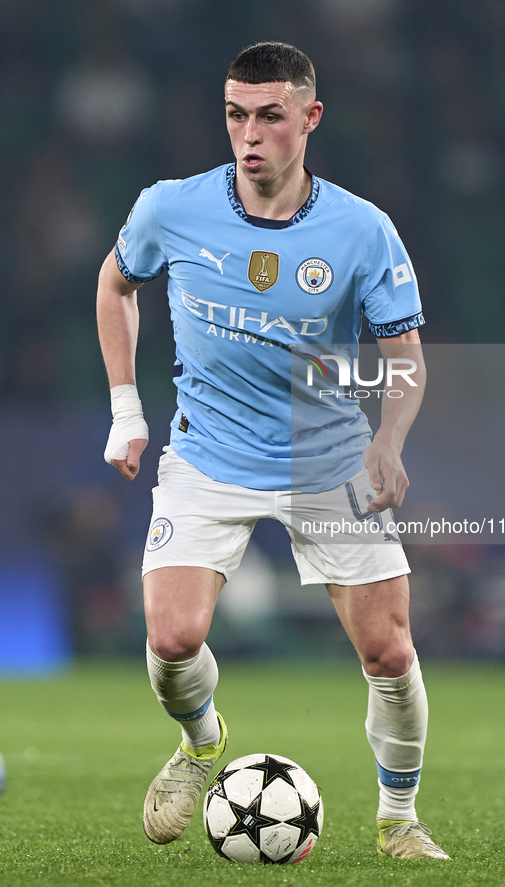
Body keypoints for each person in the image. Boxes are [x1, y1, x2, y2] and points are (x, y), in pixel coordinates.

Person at [97, 41, 449, 861]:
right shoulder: (170, 208)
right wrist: (124, 407)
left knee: (389, 650)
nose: (249, 134)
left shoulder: (362, 230)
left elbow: (404, 355)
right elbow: (118, 282)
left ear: (309, 118)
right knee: (173, 637)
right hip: (208, 454)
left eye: (269, 116)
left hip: (327, 460)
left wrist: (390, 442)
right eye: (235, 115)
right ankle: (201, 743)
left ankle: (398, 818)